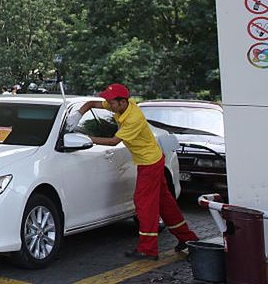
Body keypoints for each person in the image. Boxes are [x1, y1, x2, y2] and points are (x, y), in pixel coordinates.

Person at [75, 83, 198, 259]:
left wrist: (85, 138)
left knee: (144, 203)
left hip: (150, 163)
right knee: (165, 203)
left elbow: (113, 142)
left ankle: (148, 249)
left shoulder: (133, 118)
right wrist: (79, 112)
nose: (109, 105)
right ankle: (187, 238)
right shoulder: (119, 106)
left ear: (123, 102)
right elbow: (91, 104)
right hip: (151, 160)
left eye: (112, 103)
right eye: (108, 101)